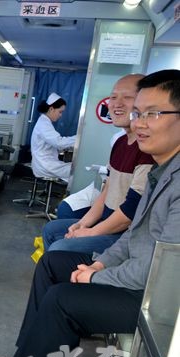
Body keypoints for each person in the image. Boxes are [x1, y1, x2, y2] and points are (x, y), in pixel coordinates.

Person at [0, 69, 180, 357]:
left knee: (62, 299)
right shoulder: (162, 171)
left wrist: (96, 276)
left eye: (152, 113)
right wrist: (100, 262)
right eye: (138, 112)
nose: (140, 122)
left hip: (155, 301)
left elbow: (161, 274)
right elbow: (133, 236)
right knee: (52, 263)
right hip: (138, 276)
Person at [42, 74, 155, 255]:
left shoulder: (147, 149)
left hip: (124, 234)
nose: (117, 104)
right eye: (113, 97)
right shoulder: (119, 143)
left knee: (59, 248)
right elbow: (106, 191)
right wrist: (82, 224)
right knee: (51, 230)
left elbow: (130, 212)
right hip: (106, 220)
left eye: (127, 97)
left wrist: (90, 232)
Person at [30, 92, 77, 182]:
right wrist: (79, 138)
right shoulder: (44, 124)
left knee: (74, 168)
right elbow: (59, 143)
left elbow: (53, 144)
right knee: (77, 170)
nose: (61, 115)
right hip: (45, 165)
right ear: (51, 109)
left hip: (45, 163)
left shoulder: (45, 122)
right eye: (60, 112)